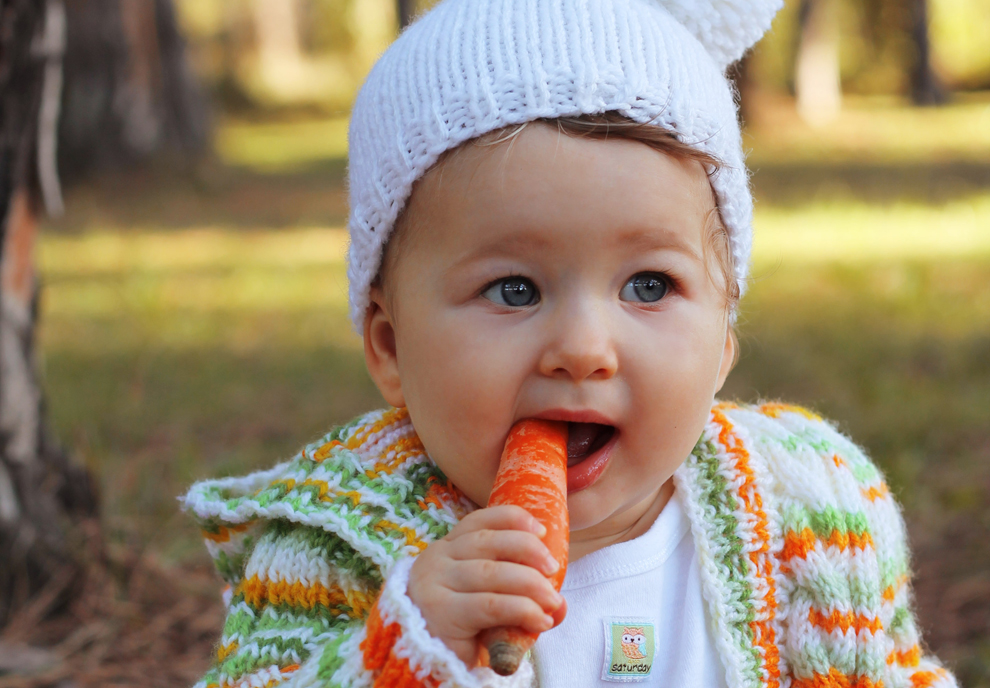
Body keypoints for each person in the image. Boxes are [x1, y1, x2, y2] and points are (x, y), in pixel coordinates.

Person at [181, 0, 958, 686]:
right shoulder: (334, 552)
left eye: (648, 286)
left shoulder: (811, 509)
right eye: (514, 290)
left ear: (725, 334)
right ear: (389, 347)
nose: (584, 348)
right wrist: (407, 650)